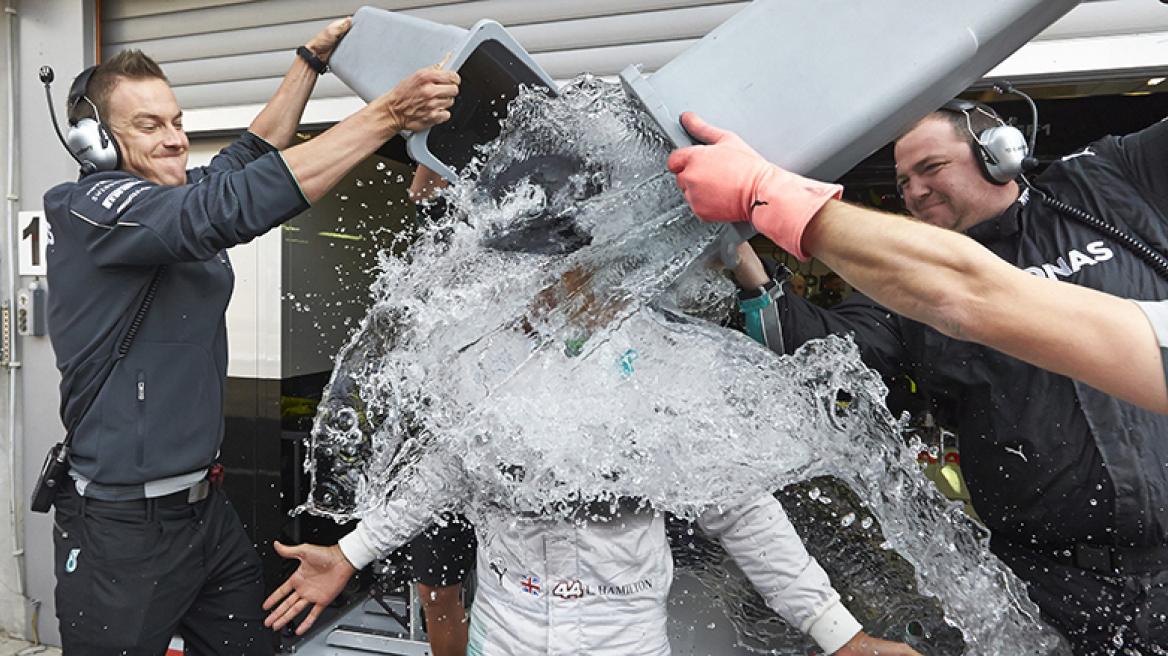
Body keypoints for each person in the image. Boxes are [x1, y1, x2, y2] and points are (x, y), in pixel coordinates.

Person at [668, 107, 1168, 653]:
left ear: (998, 154)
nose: (915, 191)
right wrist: (742, 258)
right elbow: (818, 353)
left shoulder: (1108, 181)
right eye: (904, 181)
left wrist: (769, 192)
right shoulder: (906, 291)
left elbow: (967, 291)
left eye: (931, 168)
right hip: (1053, 586)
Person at [41, 20, 460, 655]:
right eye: (149, 126)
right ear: (95, 143)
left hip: (205, 512)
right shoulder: (94, 211)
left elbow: (249, 158)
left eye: (177, 121)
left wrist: (308, 64)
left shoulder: (174, 194)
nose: (176, 139)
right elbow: (228, 207)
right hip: (120, 529)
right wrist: (387, 116)